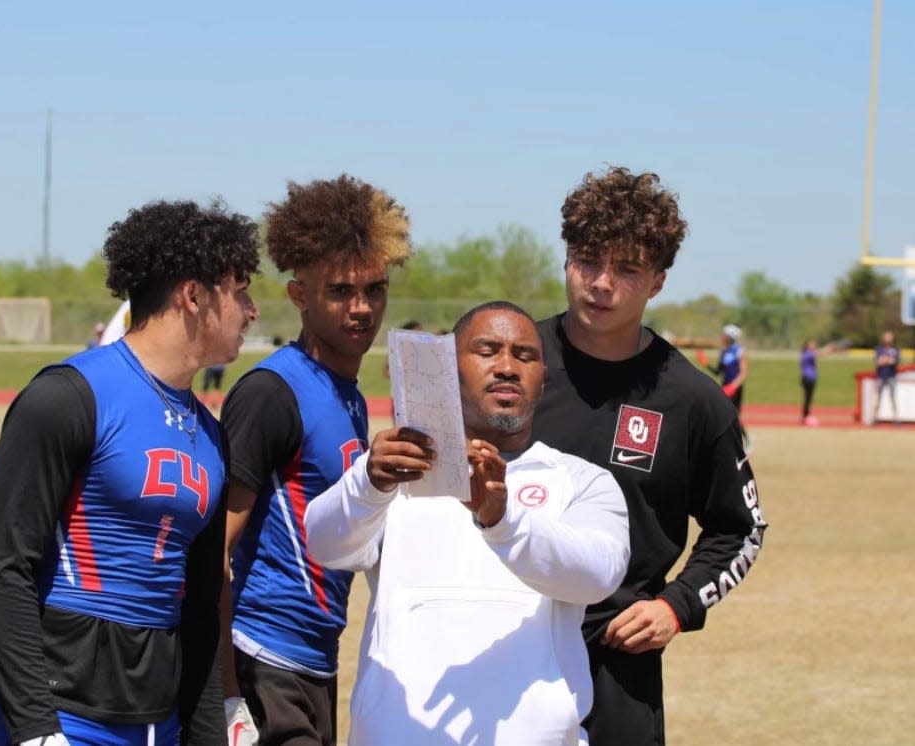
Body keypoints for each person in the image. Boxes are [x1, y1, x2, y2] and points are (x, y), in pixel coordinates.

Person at [0, 199, 261, 746]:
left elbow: (200, 603)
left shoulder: (211, 434)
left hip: (156, 720)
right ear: (194, 295)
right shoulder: (68, 397)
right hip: (57, 716)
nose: (252, 310)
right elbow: (3, 566)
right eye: (240, 289)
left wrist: (207, 729)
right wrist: (36, 729)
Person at [305, 301, 630, 745]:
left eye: (524, 355)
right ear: (448, 369)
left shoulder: (582, 481)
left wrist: (503, 519)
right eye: (487, 350)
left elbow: (598, 576)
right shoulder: (394, 471)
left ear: (543, 378)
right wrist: (367, 483)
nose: (507, 367)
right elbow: (324, 545)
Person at [531, 166, 767, 746]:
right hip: (505, 643)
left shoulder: (691, 399)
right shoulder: (511, 364)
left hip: (616, 660)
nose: (601, 283)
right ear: (566, 259)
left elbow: (741, 530)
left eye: (627, 269)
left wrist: (677, 605)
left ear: (657, 282)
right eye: (587, 259)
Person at [220, 174, 411, 746]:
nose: (361, 308)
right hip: (261, 656)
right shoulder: (271, 393)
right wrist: (227, 696)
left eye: (374, 290)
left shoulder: (348, 396)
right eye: (340, 291)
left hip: (317, 662)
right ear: (299, 295)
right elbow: (210, 552)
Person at [872, 330, 900, 425]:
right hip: (880, 376)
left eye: (890, 337)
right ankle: (875, 418)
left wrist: (886, 360)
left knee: (893, 397)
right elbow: (878, 361)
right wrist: (888, 360)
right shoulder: (879, 349)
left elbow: (895, 362)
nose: (888, 339)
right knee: (877, 397)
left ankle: (895, 418)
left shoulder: (895, 349)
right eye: (887, 337)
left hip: (891, 376)